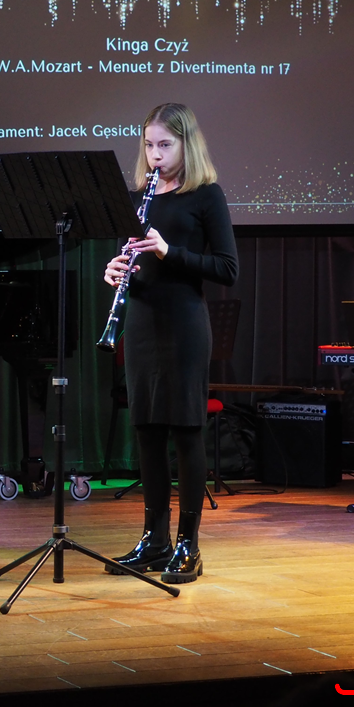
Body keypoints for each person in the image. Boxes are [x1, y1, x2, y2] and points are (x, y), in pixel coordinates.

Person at [103, 103, 238, 584]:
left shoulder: (206, 195)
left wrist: (168, 250)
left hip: (183, 325)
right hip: (141, 324)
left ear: (187, 144)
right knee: (147, 432)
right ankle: (154, 540)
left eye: (165, 144)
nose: (155, 154)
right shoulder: (136, 197)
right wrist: (114, 269)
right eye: (149, 145)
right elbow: (131, 259)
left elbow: (226, 269)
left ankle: (188, 546)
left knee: (185, 433)